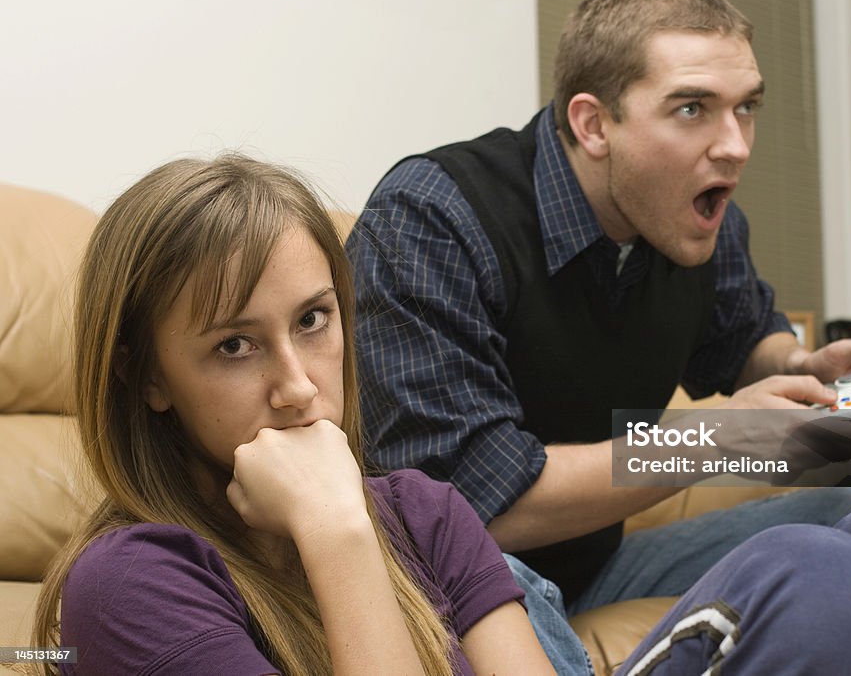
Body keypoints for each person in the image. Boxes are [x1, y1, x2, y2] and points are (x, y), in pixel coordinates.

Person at [343, 0, 851, 669]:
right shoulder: (433, 219)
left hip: (594, 558)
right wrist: (712, 439)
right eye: (692, 108)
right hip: (456, 572)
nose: (735, 146)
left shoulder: (698, 220)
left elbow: (742, 344)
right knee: (497, 570)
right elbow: (476, 505)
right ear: (593, 124)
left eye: (747, 107)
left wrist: (809, 366)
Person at [31, 155, 555, 676]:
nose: (300, 387)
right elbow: (508, 477)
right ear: (148, 376)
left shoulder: (426, 512)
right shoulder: (127, 585)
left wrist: (639, 458)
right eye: (235, 345)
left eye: (313, 318)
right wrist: (336, 532)